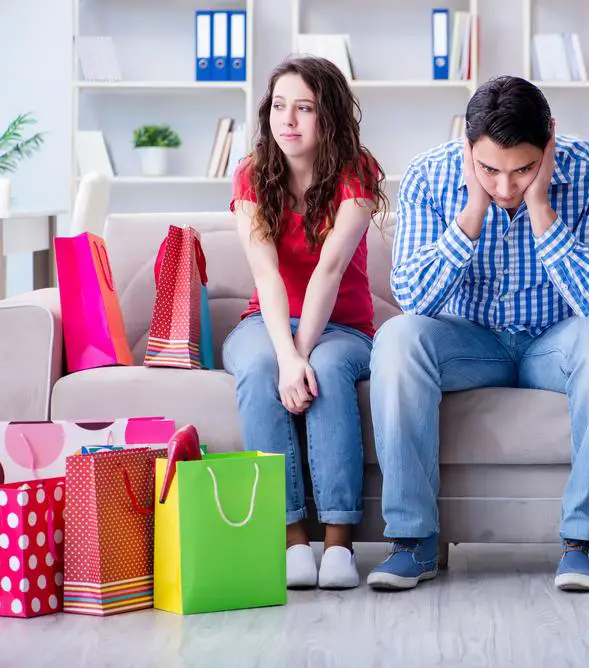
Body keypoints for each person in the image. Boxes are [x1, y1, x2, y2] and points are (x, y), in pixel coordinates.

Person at [366, 75, 589, 592]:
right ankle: (413, 542)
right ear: (467, 146)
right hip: (471, 343)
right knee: (398, 338)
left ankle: (585, 542)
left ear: (550, 140)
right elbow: (415, 301)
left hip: (556, 342)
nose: (506, 186)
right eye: (490, 168)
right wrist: (473, 211)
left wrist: (541, 209)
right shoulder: (428, 175)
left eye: (524, 170)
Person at [222, 56, 388, 590]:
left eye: (305, 108)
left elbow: (330, 269)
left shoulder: (358, 171)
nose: (287, 119)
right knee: (257, 366)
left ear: (330, 117)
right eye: (279, 106)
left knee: (329, 367)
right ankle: (292, 537)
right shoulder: (251, 173)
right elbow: (267, 275)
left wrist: (303, 353)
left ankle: (338, 542)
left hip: (344, 326)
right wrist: (287, 354)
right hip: (267, 320)